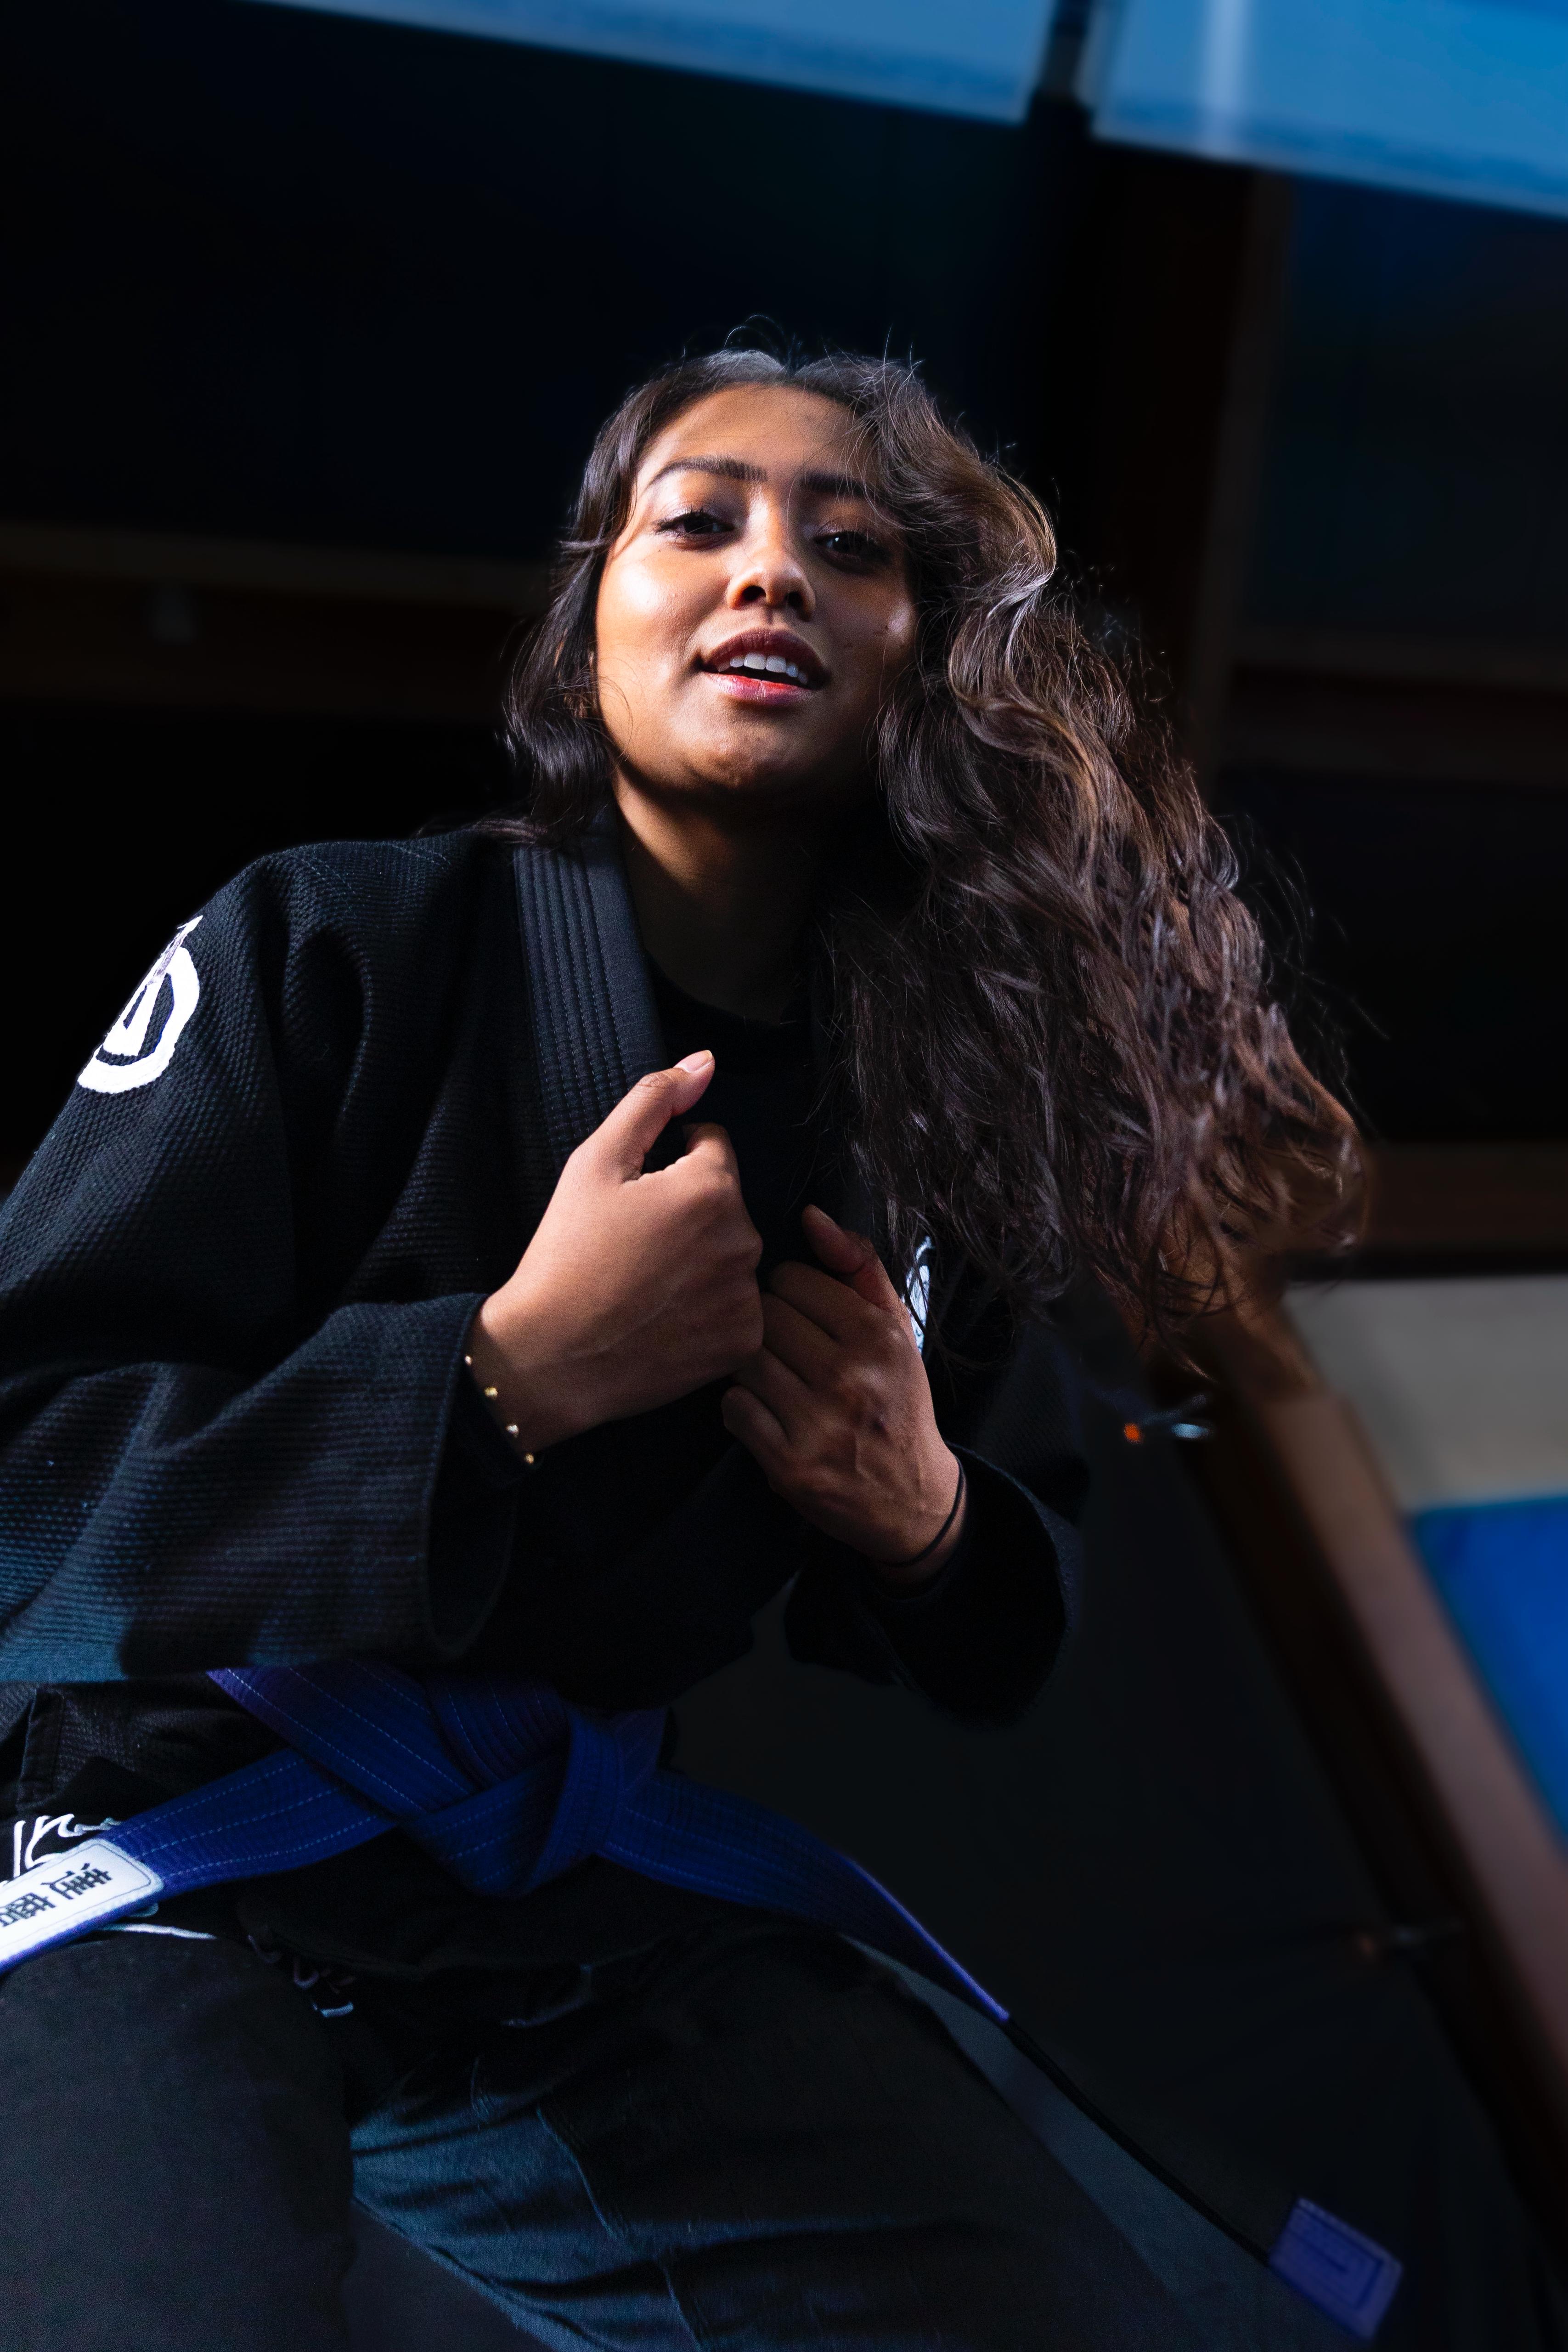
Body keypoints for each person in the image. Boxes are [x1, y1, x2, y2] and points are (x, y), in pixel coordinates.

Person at [0, 348, 1355, 2349]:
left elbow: (1009, 1615)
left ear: (929, 655)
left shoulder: (935, 1105)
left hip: (564, 1905)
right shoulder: (333, 945)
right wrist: (497, 1376)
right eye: (695, 519)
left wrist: (918, 1519)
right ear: (587, 623)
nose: (768, 576)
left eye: (850, 545)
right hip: (146, 1855)